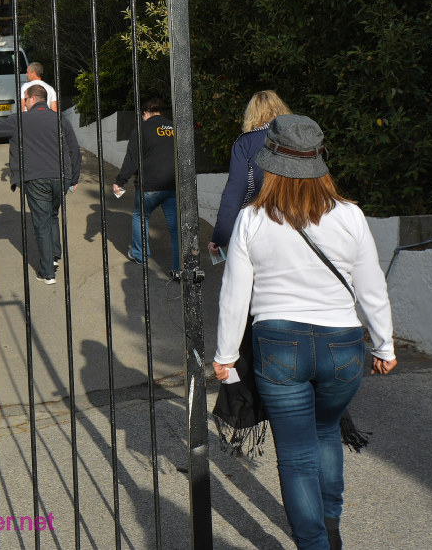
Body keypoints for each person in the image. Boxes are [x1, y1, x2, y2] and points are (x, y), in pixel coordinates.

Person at [212, 115, 396, 550]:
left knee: (295, 457)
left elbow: (235, 294)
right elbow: (371, 286)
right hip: (343, 345)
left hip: (278, 344)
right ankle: (331, 526)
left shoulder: (252, 219)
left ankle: (313, 544)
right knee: (327, 431)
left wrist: (224, 356)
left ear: (271, 164)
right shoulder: (350, 215)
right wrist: (384, 343)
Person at [0, 84, 80, 284]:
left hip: (36, 178)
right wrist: (74, 178)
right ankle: (55, 256)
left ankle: (48, 273)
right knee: (52, 215)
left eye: (24, 99)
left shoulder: (19, 120)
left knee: (41, 224)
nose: (23, 103)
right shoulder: (60, 119)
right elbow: (74, 149)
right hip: (62, 177)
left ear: (31, 99)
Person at [209, 89, 292, 258]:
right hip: (300, 217)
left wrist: (220, 236)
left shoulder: (245, 142)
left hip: (262, 221)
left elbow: (236, 190)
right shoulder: (298, 137)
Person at [113, 97, 180, 276]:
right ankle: (179, 267)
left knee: (140, 217)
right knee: (175, 227)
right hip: (173, 184)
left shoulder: (142, 128)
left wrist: (120, 180)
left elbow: (132, 159)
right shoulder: (174, 127)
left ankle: (139, 254)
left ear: (145, 113)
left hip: (149, 185)